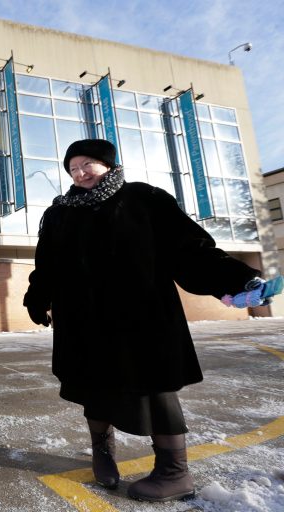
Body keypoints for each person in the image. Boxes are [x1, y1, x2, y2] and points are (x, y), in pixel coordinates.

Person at [23, 139, 274, 502]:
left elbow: (190, 249)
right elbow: (46, 265)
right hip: (83, 320)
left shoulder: (143, 199)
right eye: (73, 168)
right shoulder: (60, 213)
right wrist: (38, 298)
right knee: (93, 388)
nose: (79, 173)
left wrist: (235, 279)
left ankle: (175, 473)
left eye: (87, 164)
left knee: (157, 391)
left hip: (141, 318)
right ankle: (103, 453)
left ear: (108, 164)